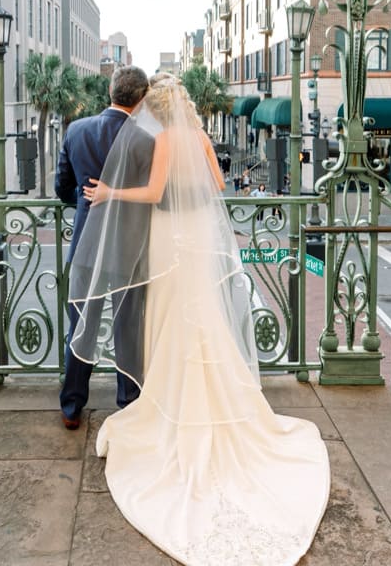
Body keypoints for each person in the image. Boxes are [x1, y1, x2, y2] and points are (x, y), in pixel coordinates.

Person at [78, 74, 329, 566]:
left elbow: (152, 195)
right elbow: (216, 184)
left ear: (160, 108)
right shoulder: (199, 138)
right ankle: (217, 397)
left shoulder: (169, 138)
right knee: (203, 318)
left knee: (172, 319)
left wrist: (110, 193)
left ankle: (172, 404)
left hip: (170, 235)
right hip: (197, 231)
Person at [55, 65, 153, 430]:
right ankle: (128, 403)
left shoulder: (77, 131)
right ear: (141, 98)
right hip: (129, 250)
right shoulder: (146, 140)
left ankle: (71, 406)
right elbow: (153, 199)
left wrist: (85, 203)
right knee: (128, 329)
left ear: (111, 92)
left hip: (86, 246)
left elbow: (62, 188)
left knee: (82, 326)